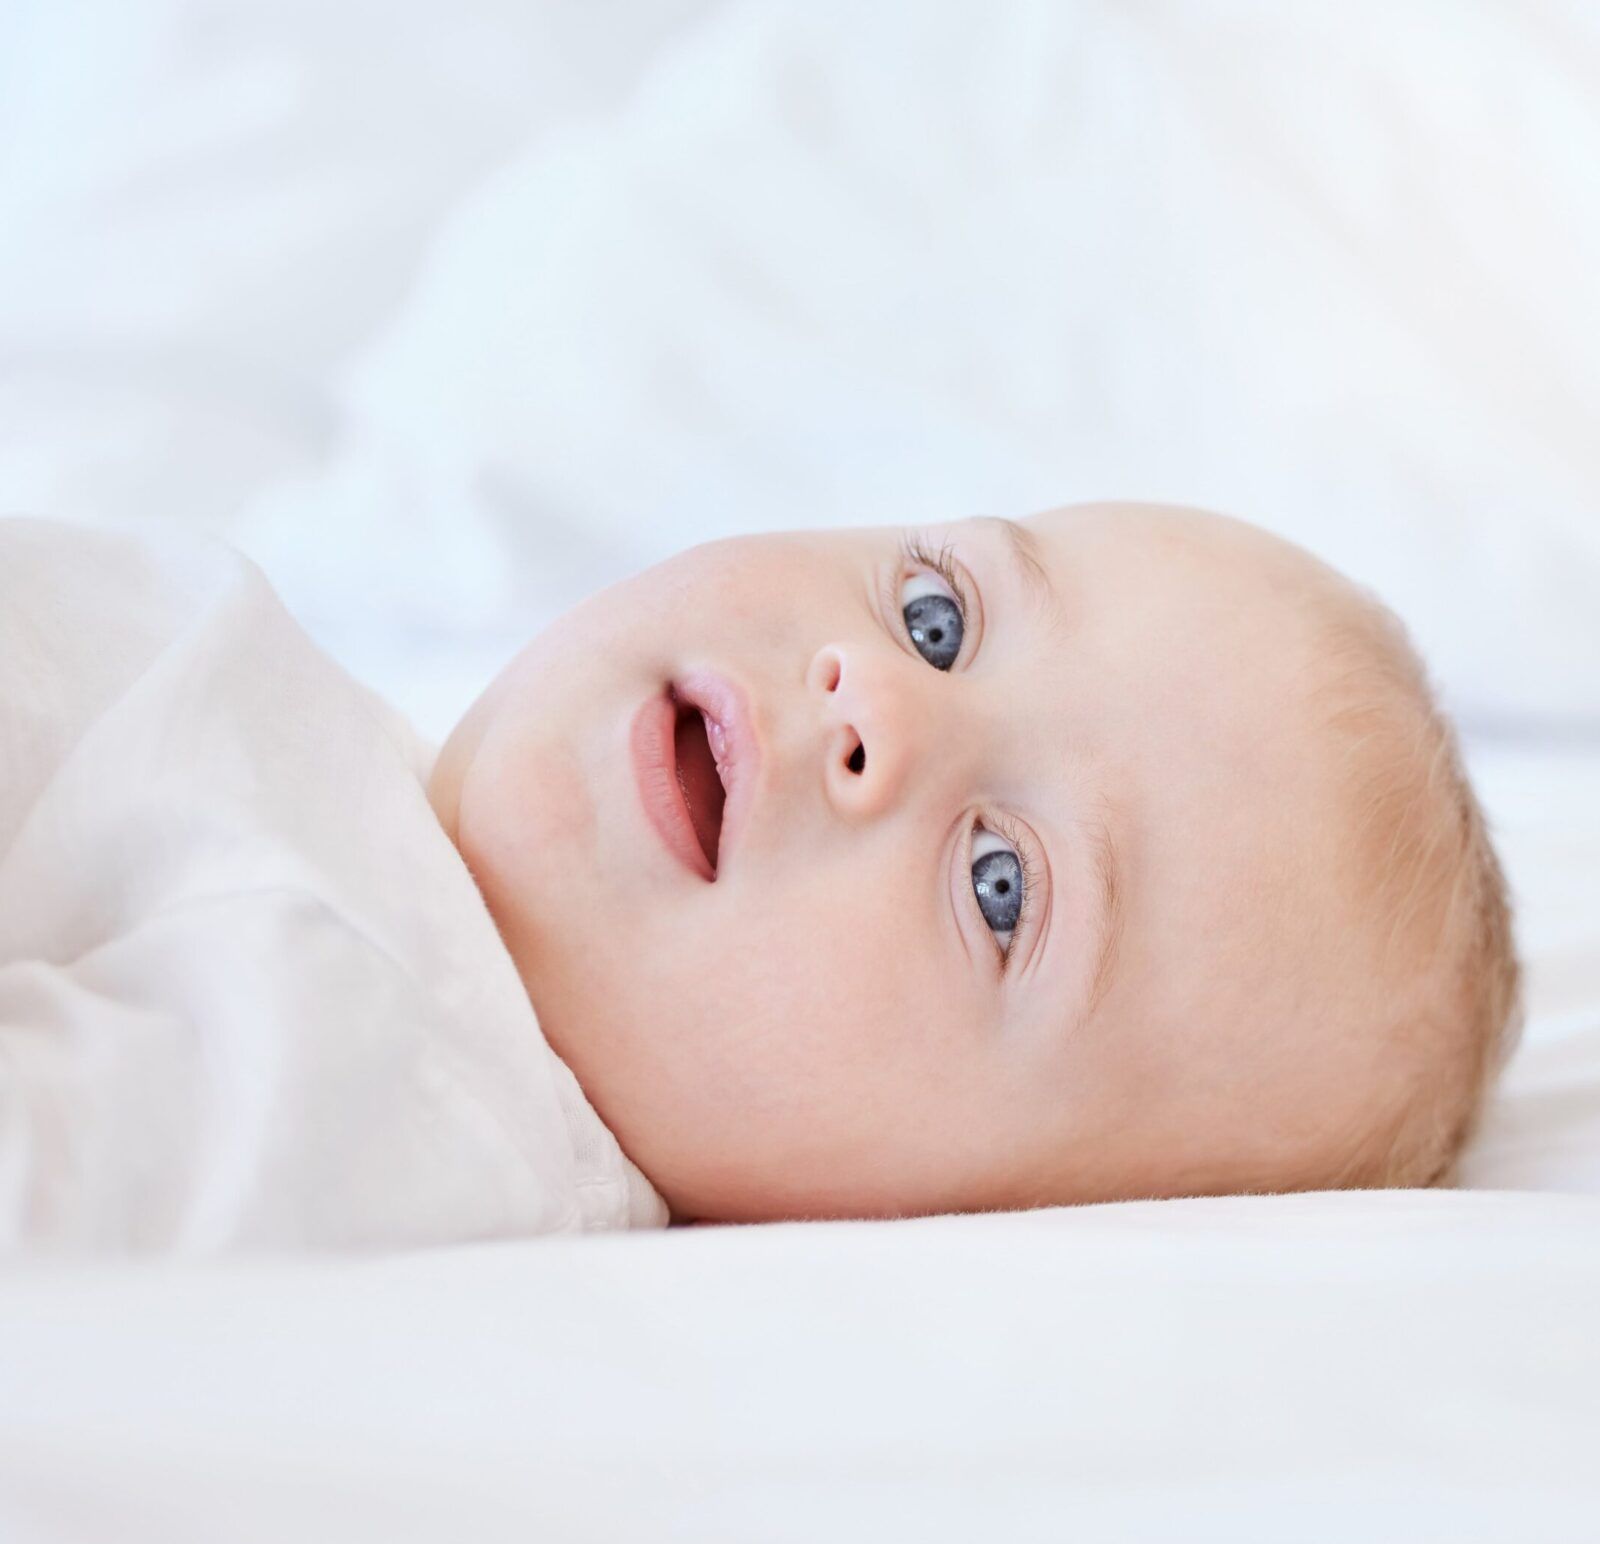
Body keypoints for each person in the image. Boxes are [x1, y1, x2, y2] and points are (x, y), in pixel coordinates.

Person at [0, 505, 1522, 1250]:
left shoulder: (371, 1066)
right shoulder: (360, 812)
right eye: (939, 617)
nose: (883, 700)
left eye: (1005, 890)